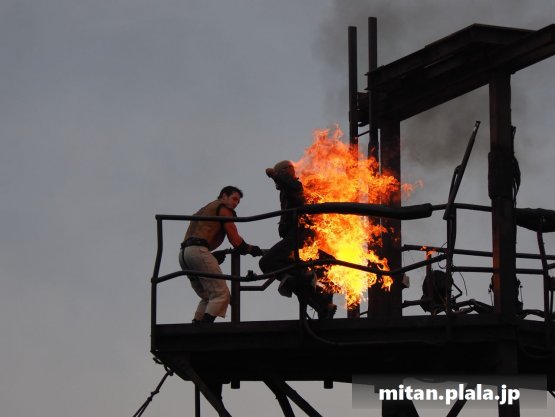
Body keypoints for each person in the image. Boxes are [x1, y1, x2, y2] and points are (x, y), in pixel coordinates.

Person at [259, 161, 336, 319]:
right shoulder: (285, 191)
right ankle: (323, 303)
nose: (276, 182)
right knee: (296, 281)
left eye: (281, 174)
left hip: (299, 237)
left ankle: (302, 277)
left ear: (286, 172)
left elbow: (293, 187)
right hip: (296, 238)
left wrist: (274, 174)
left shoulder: (294, 187)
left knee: (267, 262)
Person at [179, 186, 263, 323]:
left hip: (184, 255)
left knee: (207, 296)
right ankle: (205, 328)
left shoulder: (204, 209)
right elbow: (236, 241)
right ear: (224, 196)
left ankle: (196, 325)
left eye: (238, 202)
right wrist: (251, 249)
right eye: (234, 199)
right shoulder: (224, 209)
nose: (236, 203)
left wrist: (210, 255)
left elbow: (203, 233)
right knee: (221, 294)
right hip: (197, 251)